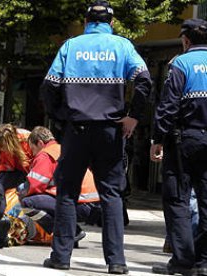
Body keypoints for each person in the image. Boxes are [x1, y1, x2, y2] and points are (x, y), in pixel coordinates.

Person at [40, 1, 151, 274]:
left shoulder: (70, 46)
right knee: (111, 195)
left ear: (86, 21)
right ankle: (116, 262)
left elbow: (49, 86)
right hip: (111, 131)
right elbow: (145, 80)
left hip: (76, 129)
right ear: (111, 23)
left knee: (67, 192)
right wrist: (133, 116)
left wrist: (60, 118)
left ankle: (62, 257)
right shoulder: (123, 46)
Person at [150, 18, 207, 276]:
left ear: (186, 40)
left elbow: (168, 106)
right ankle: (203, 260)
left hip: (185, 140)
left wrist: (158, 139)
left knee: (177, 200)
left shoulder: (180, 64)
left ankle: (184, 261)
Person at [17, 126, 86, 243]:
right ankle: (74, 232)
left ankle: (69, 233)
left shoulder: (45, 154)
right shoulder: (61, 149)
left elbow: (35, 185)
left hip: (78, 202)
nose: (33, 154)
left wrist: (21, 192)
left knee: (27, 203)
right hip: (88, 202)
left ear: (40, 143)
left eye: (33, 149)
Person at [0, 123, 32, 190]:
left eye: (3, 146)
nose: (1, 149)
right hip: (12, 172)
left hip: (27, 174)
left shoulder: (27, 142)